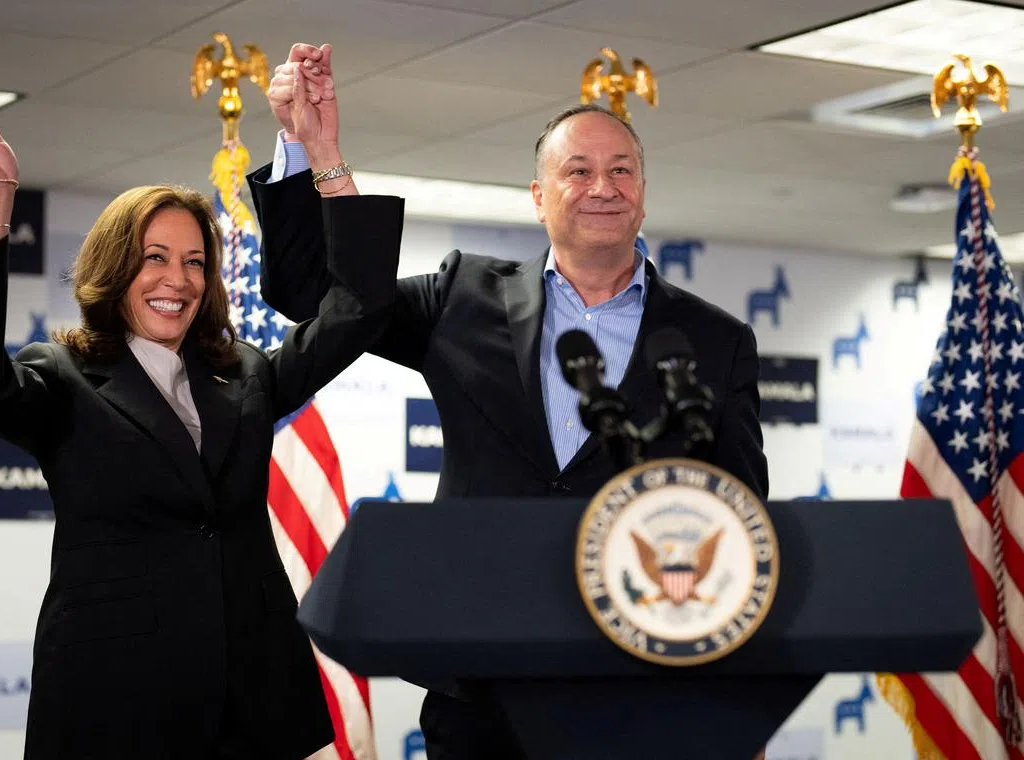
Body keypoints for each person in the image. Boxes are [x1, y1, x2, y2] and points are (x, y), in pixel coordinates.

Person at [250, 45, 769, 760]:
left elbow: (740, 511)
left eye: (622, 170)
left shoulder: (715, 340)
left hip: (641, 683)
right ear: (537, 195)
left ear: (644, 194)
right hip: (479, 690)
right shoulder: (463, 298)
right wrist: (321, 151)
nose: (603, 186)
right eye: (578, 170)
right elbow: (324, 298)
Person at [0, 73, 403, 760]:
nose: (176, 281)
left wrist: (321, 154)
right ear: (115, 269)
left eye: (193, 263)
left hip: (251, 704)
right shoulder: (63, 380)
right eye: (153, 259)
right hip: (114, 706)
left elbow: (361, 307)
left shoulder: (247, 373)